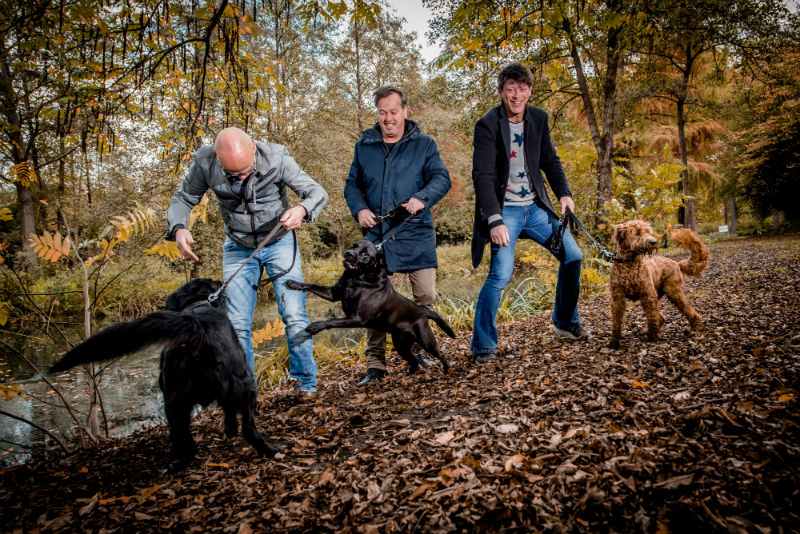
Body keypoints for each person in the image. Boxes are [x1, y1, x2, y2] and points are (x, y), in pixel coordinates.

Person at [167, 127, 329, 396]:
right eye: (234, 174)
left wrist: (301, 209)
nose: (241, 177)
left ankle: (306, 385)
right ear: (218, 157)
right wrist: (178, 227)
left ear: (253, 147)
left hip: (279, 240)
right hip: (237, 246)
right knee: (237, 324)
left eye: (245, 171)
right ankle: (245, 392)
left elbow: (316, 193)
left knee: (293, 315)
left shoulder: (277, 158)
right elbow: (183, 198)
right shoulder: (205, 162)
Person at [470, 62, 589, 363]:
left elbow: (550, 160)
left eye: (522, 88)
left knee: (573, 256)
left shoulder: (538, 118)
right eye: (510, 89)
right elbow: (482, 175)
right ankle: (482, 346)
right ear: (501, 92)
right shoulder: (487, 125)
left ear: (529, 91)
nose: (517, 94)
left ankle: (564, 322)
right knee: (501, 274)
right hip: (505, 210)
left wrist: (564, 194)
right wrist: (494, 219)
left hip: (536, 208)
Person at [344, 86, 451, 386]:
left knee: (425, 296)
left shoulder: (425, 145)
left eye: (393, 112)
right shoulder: (363, 146)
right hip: (376, 234)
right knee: (372, 302)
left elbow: (442, 178)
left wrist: (422, 197)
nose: (388, 118)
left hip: (414, 231)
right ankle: (375, 364)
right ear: (377, 113)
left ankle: (413, 350)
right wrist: (359, 209)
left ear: (405, 111)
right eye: (382, 112)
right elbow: (352, 185)